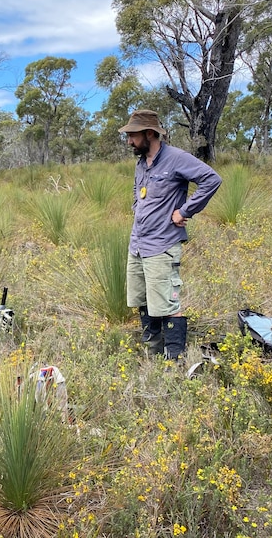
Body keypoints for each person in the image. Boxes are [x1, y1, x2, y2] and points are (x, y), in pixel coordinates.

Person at [120, 110, 222, 362]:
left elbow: (212, 179)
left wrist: (185, 210)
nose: (129, 141)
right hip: (138, 245)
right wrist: (137, 206)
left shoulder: (177, 158)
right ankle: (152, 352)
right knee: (143, 300)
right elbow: (137, 190)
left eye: (133, 136)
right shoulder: (141, 162)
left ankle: (174, 359)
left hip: (162, 245)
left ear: (150, 133)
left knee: (167, 304)